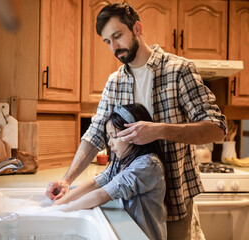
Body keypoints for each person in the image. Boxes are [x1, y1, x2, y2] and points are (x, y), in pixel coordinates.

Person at [46, 3, 227, 239]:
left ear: (137, 28)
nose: (114, 47)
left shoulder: (179, 70)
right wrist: (67, 180)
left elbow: (217, 129)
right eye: (107, 41)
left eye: (117, 36)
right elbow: (95, 134)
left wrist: (159, 130)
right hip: (131, 206)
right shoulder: (114, 82)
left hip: (175, 202)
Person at [54, 103, 167, 240]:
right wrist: (57, 205)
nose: (110, 143)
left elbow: (101, 195)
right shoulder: (124, 162)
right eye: (109, 137)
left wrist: (61, 211)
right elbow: (95, 184)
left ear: (134, 135)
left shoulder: (148, 164)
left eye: (114, 136)